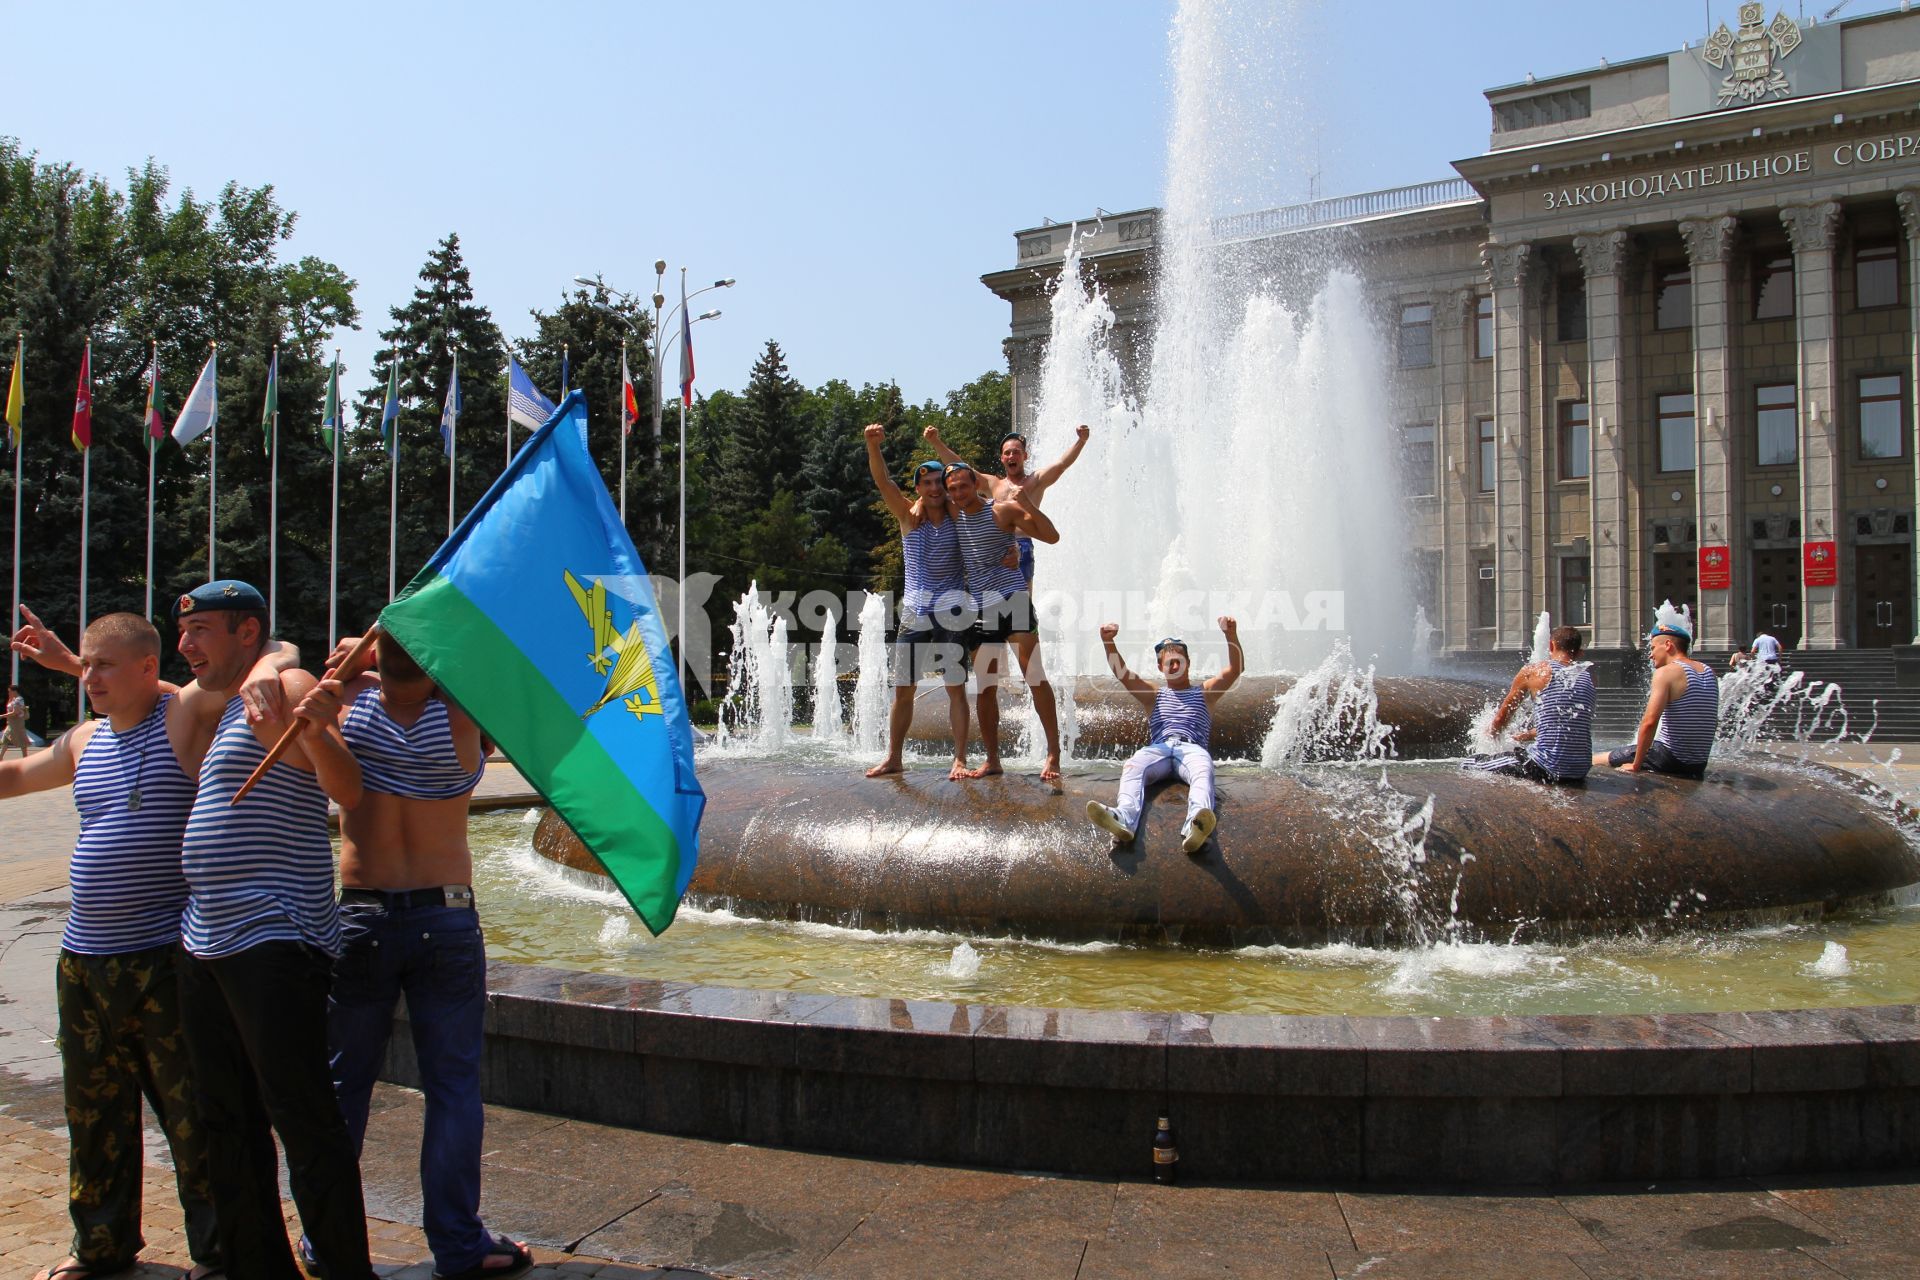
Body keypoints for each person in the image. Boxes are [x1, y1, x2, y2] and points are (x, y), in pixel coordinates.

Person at [5, 607, 300, 1280]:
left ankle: (219, 1249)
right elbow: (15, 779)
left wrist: (270, 670)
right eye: (83, 665)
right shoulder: (83, 740)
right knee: (93, 1110)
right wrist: (71, 663)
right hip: (83, 960)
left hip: (161, 959)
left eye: (103, 665)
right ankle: (101, 1244)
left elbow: (272, 653)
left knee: (191, 1115)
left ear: (147, 668)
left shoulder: (177, 720)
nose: (89, 677)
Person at [297, 629, 532, 1280]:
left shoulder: (345, 706)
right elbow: (476, 663)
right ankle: (458, 1245)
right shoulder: (464, 715)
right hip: (446, 914)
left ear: (375, 656)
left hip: (363, 911)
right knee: (453, 1089)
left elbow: (338, 701)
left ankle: (324, 1238)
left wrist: (354, 669)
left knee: (344, 1084)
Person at [168, 580, 379, 1280]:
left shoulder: (285, 689)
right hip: (204, 940)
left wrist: (315, 728)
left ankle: (346, 1268)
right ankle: (256, 1266)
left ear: (247, 631)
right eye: (183, 630)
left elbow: (348, 791)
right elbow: (135, 685)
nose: (186, 643)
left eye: (201, 630)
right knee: (224, 1118)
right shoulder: (228, 703)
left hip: (274, 937)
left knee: (302, 1117)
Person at [862, 424, 971, 779]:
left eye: (940, 482)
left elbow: (968, 478)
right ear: (919, 488)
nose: (935, 488)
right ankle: (894, 756)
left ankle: (959, 759)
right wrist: (873, 445)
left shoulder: (958, 517)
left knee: (955, 688)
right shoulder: (908, 517)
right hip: (914, 614)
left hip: (952, 614)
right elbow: (884, 483)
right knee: (903, 690)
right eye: (927, 483)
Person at [944, 463, 1061, 779]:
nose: (957, 493)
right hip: (981, 607)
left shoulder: (1002, 511)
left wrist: (1028, 506)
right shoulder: (953, 514)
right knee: (986, 688)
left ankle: (1053, 755)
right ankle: (993, 760)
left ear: (976, 485)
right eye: (952, 489)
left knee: (1034, 675)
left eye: (963, 487)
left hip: (1013, 599)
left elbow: (1052, 536)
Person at [1086, 617, 1242, 852]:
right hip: (1158, 750)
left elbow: (1235, 669)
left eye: (1179, 661)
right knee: (1133, 764)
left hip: (1191, 750)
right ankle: (1123, 818)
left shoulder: (1206, 692)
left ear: (1188, 663)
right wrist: (1108, 643)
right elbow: (1123, 674)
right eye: (1169, 663)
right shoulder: (1153, 694)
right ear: (1161, 667)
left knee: (1203, 767)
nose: (1175, 666)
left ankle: (1196, 824)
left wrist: (1231, 635)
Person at [924, 423, 1089, 586]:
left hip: (1022, 543)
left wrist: (1080, 442)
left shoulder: (1035, 480)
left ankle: (1026, 612)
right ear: (1002, 458)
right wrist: (936, 442)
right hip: (995, 545)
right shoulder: (993, 484)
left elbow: (1061, 465)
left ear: (1025, 456)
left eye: (1016, 452)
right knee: (995, 596)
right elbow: (960, 469)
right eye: (1007, 453)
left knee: (1022, 599)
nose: (1011, 456)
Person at [1593, 603, 1720, 778]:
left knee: (1596, 759)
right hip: (1697, 764)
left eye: (1653, 648)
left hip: (1668, 758)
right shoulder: (1708, 671)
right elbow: (1712, 720)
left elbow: (1650, 721)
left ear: (1668, 645)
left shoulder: (1666, 673)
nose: (1650, 654)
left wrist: (1636, 764)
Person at [1468, 625, 1595, 784]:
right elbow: (1568, 722)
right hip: (1580, 769)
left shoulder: (1533, 671)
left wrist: (1489, 737)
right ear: (1578, 651)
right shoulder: (1587, 677)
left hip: (1545, 767)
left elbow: (1502, 717)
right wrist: (1527, 735)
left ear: (1551, 645)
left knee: (1471, 763)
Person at [1, 682, 27, 758]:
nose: (8, 693)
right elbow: (9, 708)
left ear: (14, 691)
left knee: (22, 741)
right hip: (11, 723)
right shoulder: (13, 699)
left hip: (17, 723)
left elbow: (15, 712)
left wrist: (2, 716)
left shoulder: (19, 699)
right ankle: (0, 757)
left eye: (10, 691)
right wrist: (10, 699)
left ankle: (25, 758)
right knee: (6, 739)